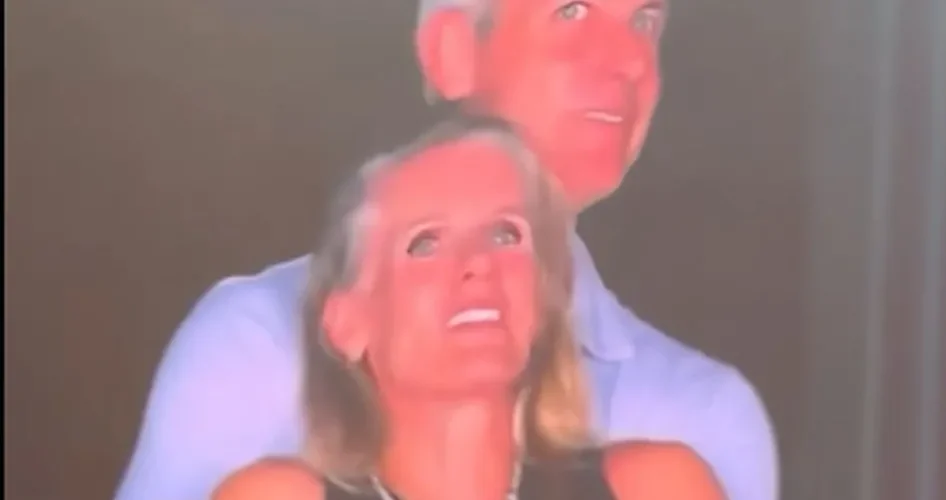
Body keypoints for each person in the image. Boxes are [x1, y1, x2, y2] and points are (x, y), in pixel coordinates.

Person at [115, 0, 778, 498]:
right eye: (572, 10)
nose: (631, 60)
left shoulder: (680, 447)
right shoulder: (251, 347)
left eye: (506, 235)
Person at [211, 115, 725, 500]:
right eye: (425, 243)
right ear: (346, 323)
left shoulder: (655, 488)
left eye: (505, 234)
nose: (479, 262)